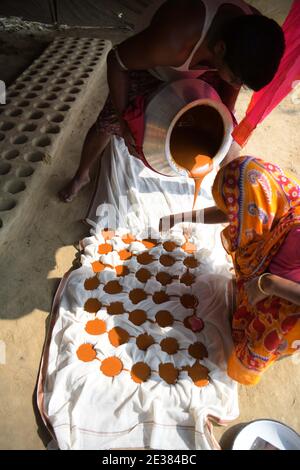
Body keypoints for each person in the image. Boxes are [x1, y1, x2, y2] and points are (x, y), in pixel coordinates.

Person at [59, 0, 285, 202]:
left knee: (220, 123)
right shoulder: (173, 40)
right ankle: (82, 175)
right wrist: (123, 118)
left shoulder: (253, 32)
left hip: (208, 65)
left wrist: (225, 115)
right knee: (108, 123)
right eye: (236, 79)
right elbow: (117, 61)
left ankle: (228, 188)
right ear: (219, 49)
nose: (237, 86)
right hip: (151, 67)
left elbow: (230, 88)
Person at [160, 156, 300, 385]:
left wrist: (270, 284)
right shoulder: (279, 197)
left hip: (291, 304)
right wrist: (180, 217)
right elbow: (231, 211)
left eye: (236, 211)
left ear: (256, 210)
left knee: (260, 341)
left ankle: (255, 359)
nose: (233, 222)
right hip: (277, 277)